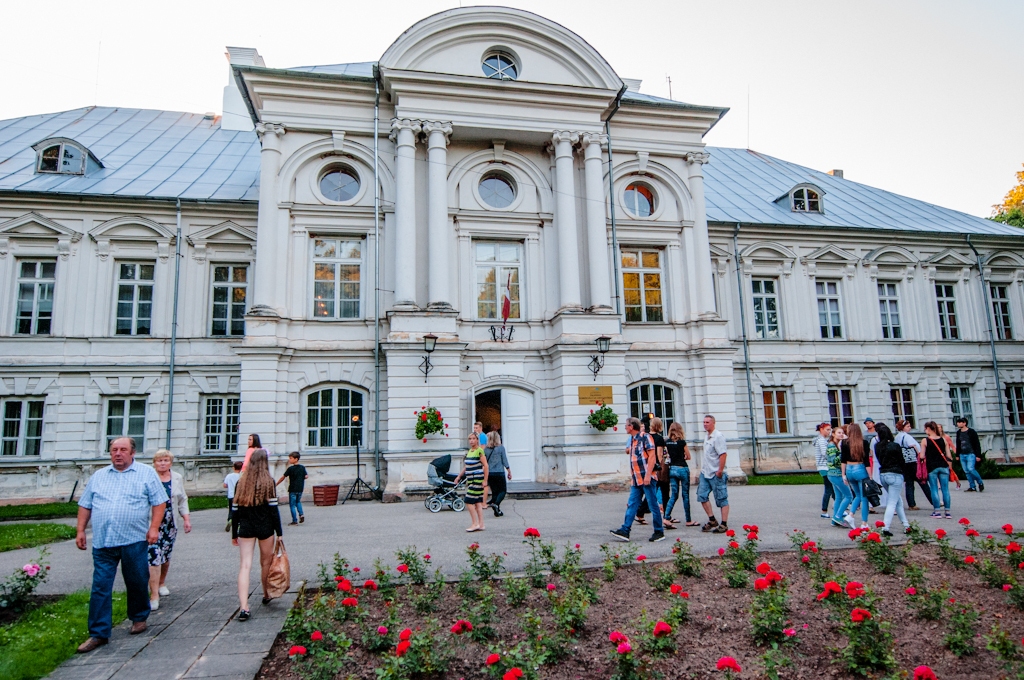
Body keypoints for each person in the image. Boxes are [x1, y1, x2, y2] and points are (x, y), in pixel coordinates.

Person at [75, 437, 168, 653]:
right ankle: (98, 633)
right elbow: (85, 504)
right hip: (103, 542)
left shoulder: (145, 474)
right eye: (114, 450)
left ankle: (138, 617)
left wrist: (154, 528)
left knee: (136, 580)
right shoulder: (99, 476)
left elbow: (159, 502)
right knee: (100, 586)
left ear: (132, 452)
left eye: (123, 450)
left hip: (133, 539)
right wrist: (80, 530)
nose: (118, 453)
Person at [232, 449, 283, 621]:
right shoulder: (269, 482)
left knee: (245, 565)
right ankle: (266, 593)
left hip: (245, 528)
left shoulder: (241, 482)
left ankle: (244, 607)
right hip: (265, 528)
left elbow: (235, 510)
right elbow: (274, 511)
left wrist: (234, 533)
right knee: (265, 563)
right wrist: (280, 533)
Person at [147, 449, 191, 611]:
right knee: (154, 556)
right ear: (154, 463)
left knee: (165, 555)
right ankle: (154, 595)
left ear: (170, 463)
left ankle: (161, 582)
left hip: (170, 522)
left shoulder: (177, 478)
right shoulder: (149, 477)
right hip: (152, 523)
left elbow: (182, 499)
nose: (162, 463)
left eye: (165, 460)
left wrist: (186, 518)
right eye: (159, 461)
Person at [610, 417, 665, 542]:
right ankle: (625, 530)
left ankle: (659, 531)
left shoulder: (645, 437)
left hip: (646, 477)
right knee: (632, 504)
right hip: (636, 478)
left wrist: (648, 475)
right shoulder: (632, 440)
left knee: (652, 505)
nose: (625, 427)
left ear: (631, 426)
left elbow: (652, 457)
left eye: (626, 425)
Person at [637, 417, 674, 528]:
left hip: (646, 466)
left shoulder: (646, 436)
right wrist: (661, 466)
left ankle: (640, 512)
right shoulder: (659, 438)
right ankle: (667, 516)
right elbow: (659, 455)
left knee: (651, 491)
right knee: (664, 491)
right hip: (657, 468)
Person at [874, 423, 909, 536]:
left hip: (883, 474)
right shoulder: (895, 445)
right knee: (892, 502)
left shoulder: (877, 446)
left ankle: (906, 525)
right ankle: (885, 527)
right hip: (895, 474)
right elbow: (901, 461)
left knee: (898, 501)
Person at [698, 415, 730, 534]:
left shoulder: (718, 437)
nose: (705, 424)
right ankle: (712, 520)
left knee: (721, 498)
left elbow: (723, 454)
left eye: (707, 422)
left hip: (716, 472)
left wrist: (720, 470)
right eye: (704, 422)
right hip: (705, 472)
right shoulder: (707, 436)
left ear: (713, 423)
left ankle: (724, 523)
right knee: (702, 495)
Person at [663, 422, 698, 526]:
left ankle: (666, 517)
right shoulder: (682, 442)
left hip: (672, 468)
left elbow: (667, 455)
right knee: (685, 495)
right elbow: (688, 456)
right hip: (682, 468)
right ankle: (688, 520)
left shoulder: (667, 442)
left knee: (674, 495)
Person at [454, 433, 488, 532]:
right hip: (470, 479)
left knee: (468, 501)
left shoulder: (479, 451)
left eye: (473, 439)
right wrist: (459, 476)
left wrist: (485, 480)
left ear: (477, 440)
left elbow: (486, 465)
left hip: (477, 479)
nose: (471, 441)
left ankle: (475, 523)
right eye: (470, 439)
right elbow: (467, 466)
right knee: (477, 502)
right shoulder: (470, 451)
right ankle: (481, 524)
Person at [841, 423, 871, 530]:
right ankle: (864, 523)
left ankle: (851, 515)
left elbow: (843, 460)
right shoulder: (864, 443)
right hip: (860, 468)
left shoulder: (844, 443)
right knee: (864, 497)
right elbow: (866, 461)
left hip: (849, 469)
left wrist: (843, 475)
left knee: (857, 495)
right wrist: (870, 476)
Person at [896, 420, 931, 509]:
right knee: (922, 481)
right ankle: (933, 500)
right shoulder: (907, 437)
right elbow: (915, 447)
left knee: (909, 483)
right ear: (903, 427)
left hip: (905, 462)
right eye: (908, 426)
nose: (910, 428)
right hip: (913, 461)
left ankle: (911, 504)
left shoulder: (897, 437)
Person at [922, 422, 952, 519]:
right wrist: (950, 467)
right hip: (943, 466)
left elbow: (922, 456)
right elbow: (949, 456)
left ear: (928, 429)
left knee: (934, 489)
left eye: (925, 429)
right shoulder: (944, 439)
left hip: (932, 467)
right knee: (945, 489)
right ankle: (947, 512)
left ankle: (937, 511)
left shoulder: (925, 441)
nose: (925, 431)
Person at [827, 426, 852, 528]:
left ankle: (834, 520)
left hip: (834, 474)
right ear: (833, 434)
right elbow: (834, 460)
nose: (841, 434)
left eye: (842, 433)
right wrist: (843, 452)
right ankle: (838, 516)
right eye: (839, 433)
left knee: (839, 497)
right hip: (835, 474)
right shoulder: (832, 446)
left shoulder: (836, 445)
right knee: (848, 496)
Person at [276, 452, 307, 526]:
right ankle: (301, 514)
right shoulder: (302, 467)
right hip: (300, 488)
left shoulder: (291, 469)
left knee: (292, 505)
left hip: (292, 489)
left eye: (291, 458)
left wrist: (276, 484)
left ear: (296, 459)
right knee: (298, 502)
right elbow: (306, 476)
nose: (289, 460)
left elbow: (283, 477)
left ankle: (294, 520)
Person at [484, 432, 511, 517]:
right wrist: (509, 471)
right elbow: (504, 460)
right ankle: (496, 504)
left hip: (490, 473)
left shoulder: (486, 449)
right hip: (499, 472)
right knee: (503, 491)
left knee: (495, 492)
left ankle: (497, 511)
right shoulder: (501, 448)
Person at [954, 416, 985, 492]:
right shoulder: (958, 432)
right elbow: (958, 444)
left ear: (964, 423)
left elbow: (977, 444)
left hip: (971, 453)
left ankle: (980, 482)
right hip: (962, 454)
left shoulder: (971, 432)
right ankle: (972, 486)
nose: (958, 424)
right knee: (966, 471)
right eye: (957, 422)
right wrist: (957, 455)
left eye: (960, 422)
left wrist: (978, 455)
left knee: (971, 469)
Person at [813, 422, 835, 519]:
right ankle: (824, 510)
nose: (829, 432)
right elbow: (824, 453)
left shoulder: (822, 440)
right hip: (825, 466)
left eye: (830, 430)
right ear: (821, 429)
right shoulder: (821, 440)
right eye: (827, 429)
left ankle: (840, 508)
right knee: (829, 489)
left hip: (824, 467)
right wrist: (833, 457)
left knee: (833, 488)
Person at [224, 460, 243, 532]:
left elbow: (225, 485)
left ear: (233, 468)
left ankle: (230, 519)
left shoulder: (229, 476)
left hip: (231, 495)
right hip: (239, 496)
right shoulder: (241, 476)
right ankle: (238, 524)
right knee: (239, 510)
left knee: (231, 509)